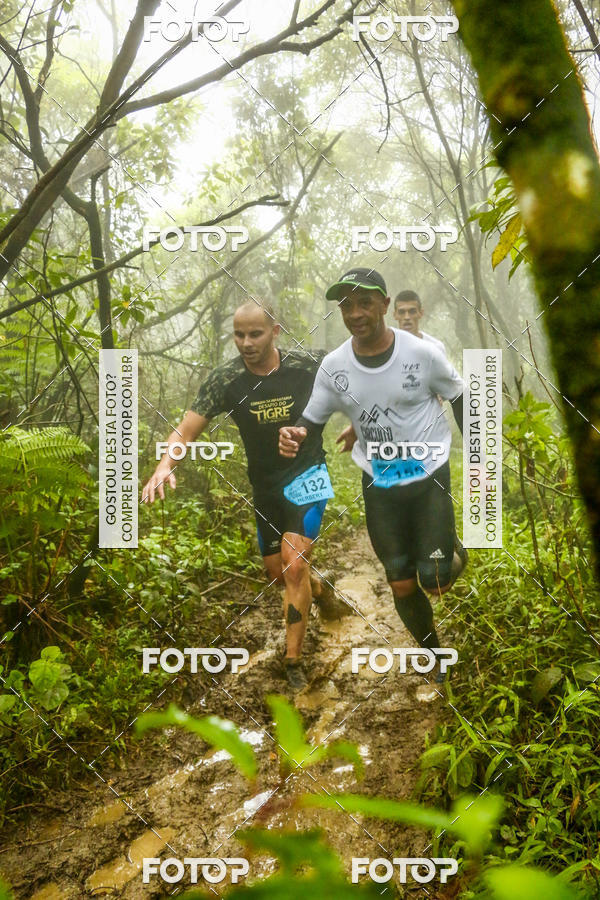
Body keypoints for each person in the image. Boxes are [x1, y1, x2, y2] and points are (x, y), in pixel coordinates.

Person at [279, 268, 467, 696]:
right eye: (346, 305)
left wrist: (478, 460)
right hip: (379, 485)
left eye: (365, 303)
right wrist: (295, 434)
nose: (356, 313)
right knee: (400, 581)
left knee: (435, 579)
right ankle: (435, 655)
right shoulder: (334, 366)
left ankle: (455, 551)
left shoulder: (423, 354)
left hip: (428, 475)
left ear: (384, 305)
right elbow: (311, 419)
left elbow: (458, 397)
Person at [142, 300, 345, 691]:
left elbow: (360, 374)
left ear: (275, 331)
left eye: (256, 333)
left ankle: (293, 665)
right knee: (279, 572)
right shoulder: (226, 379)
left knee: (294, 565)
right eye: (239, 334)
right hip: (265, 485)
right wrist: (165, 464)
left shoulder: (309, 364)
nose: (247, 342)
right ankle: (321, 591)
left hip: (308, 474)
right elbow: (185, 431)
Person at [393, 289, 447, 355]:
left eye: (412, 311)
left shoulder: (435, 348)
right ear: (395, 315)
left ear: (421, 313)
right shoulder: (387, 349)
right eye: (402, 312)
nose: (407, 317)